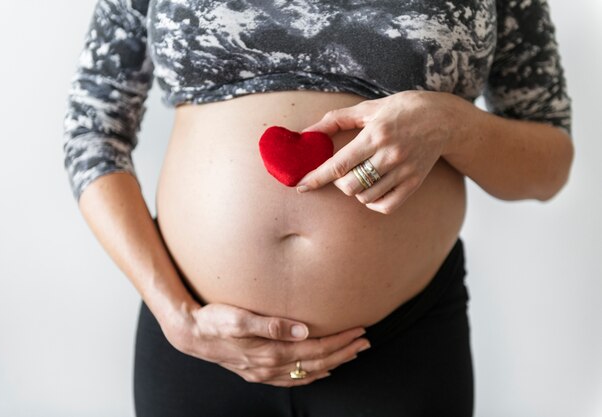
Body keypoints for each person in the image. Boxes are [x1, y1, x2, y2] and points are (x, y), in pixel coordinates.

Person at [62, 1, 573, 416]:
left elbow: (549, 164)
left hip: (401, 348)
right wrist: (176, 315)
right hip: (198, 343)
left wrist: (453, 123)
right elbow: (93, 131)